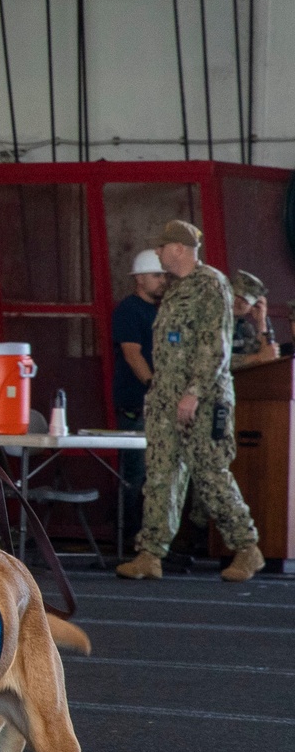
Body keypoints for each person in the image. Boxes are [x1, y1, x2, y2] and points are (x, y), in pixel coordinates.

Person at [116, 220, 263, 582]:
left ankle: (247, 548)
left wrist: (193, 393)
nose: (160, 253)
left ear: (179, 249)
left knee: (211, 474)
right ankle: (150, 554)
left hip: (204, 400)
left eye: (163, 248)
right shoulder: (175, 290)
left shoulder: (210, 284)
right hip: (166, 402)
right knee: (161, 476)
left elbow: (216, 347)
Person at [111, 249, 166, 544]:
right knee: (135, 474)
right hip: (137, 404)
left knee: (153, 476)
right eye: (157, 275)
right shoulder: (129, 311)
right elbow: (132, 354)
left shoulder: (158, 311)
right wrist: (155, 386)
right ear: (140, 279)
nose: (162, 281)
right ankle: (131, 537)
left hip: (154, 406)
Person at [230, 270, 280, 372]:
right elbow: (215, 360)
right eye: (237, 296)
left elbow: (267, 357)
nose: (240, 303)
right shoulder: (213, 320)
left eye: (246, 301)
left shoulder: (244, 327)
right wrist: (258, 357)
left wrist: (261, 322)